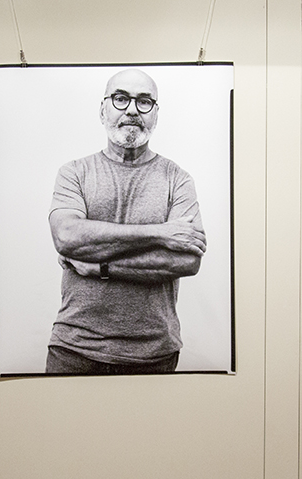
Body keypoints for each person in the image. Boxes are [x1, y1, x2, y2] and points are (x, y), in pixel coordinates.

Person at [45, 68, 205, 375]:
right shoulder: (74, 172)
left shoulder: (178, 179)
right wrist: (161, 234)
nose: (132, 110)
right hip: (74, 348)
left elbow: (186, 260)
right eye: (121, 99)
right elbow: (66, 236)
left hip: (153, 353)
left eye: (144, 101)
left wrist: (101, 267)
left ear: (155, 114)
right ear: (102, 109)